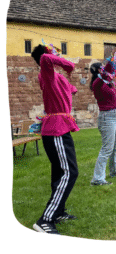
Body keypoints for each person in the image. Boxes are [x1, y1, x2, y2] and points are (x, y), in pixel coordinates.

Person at [31, 44, 79, 235]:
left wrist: (70, 80)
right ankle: (45, 220)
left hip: (61, 127)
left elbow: (71, 90)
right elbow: (44, 59)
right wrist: (68, 65)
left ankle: (58, 212)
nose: (56, 55)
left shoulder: (56, 77)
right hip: (55, 129)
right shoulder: (46, 73)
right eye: (53, 53)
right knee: (70, 172)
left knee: (60, 172)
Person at [89, 61, 116, 186]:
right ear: (100, 70)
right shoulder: (97, 83)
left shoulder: (107, 82)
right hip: (107, 117)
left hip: (115, 115)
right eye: (102, 67)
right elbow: (109, 69)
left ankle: (115, 170)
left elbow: (112, 71)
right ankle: (97, 178)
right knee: (107, 148)